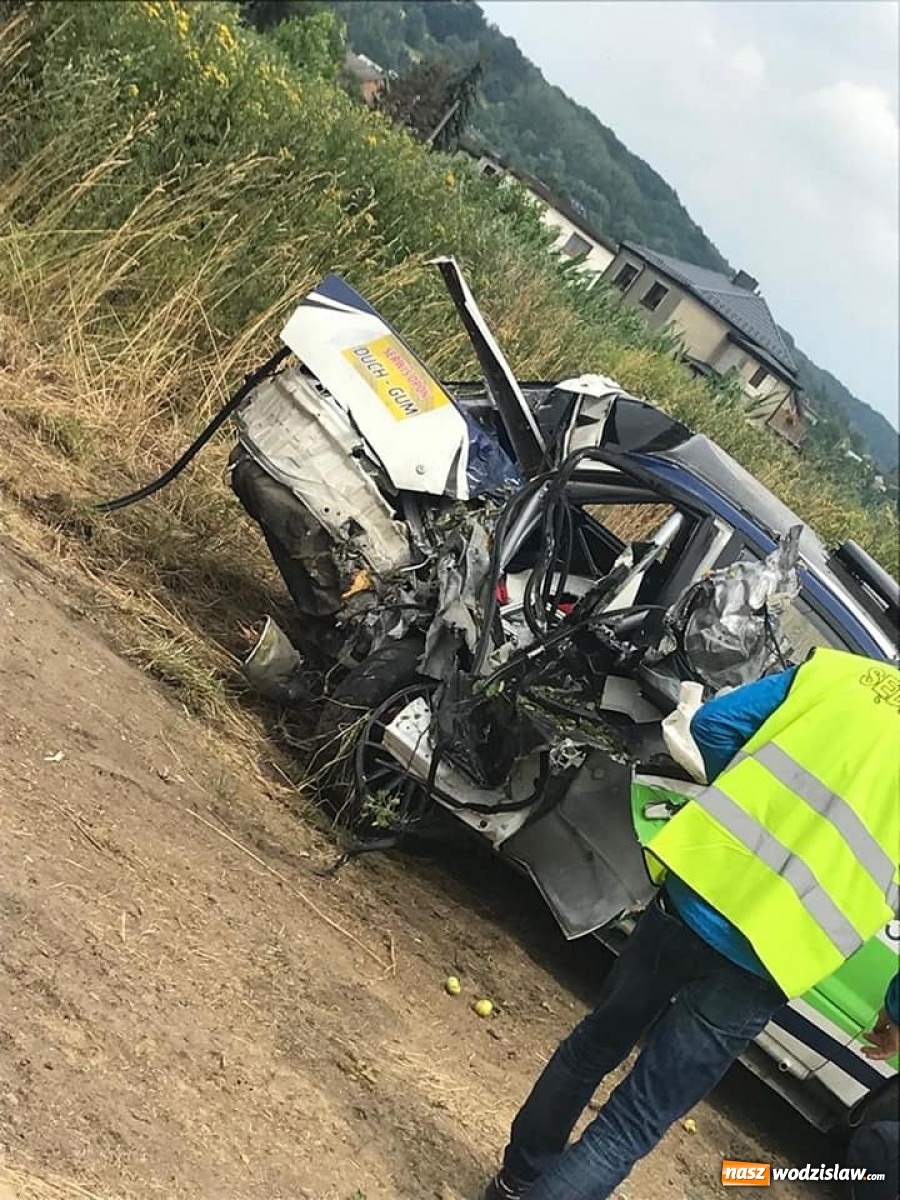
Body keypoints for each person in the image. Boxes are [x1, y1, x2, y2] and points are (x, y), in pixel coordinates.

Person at [483, 648, 900, 1200]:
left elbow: (710, 726)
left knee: (592, 1047)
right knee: (631, 1125)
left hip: (696, 892)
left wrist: (748, 791)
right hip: (769, 957)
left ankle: (515, 1182)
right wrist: (895, 1009)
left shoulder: (836, 673)